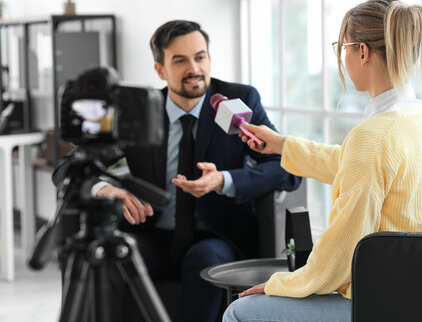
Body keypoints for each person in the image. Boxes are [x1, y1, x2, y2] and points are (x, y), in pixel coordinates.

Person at [223, 0, 422, 322]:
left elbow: (342, 251)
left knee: (239, 312)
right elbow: (357, 164)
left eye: (341, 47)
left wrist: (281, 283)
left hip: (383, 302)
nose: (341, 57)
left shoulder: (374, 136)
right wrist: (281, 145)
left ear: (361, 52)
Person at [52, 20, 301, 322]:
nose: (193, 68)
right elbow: (70, 168)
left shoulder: (240, 100)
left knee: (204, 260)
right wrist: (103, 189)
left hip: (216, 236)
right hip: (151, 233)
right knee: (104, 261)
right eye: (179, 60)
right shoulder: (141, 110)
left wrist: (225, 180)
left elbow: (286, 168)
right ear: (160, 69)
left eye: (200, 57)